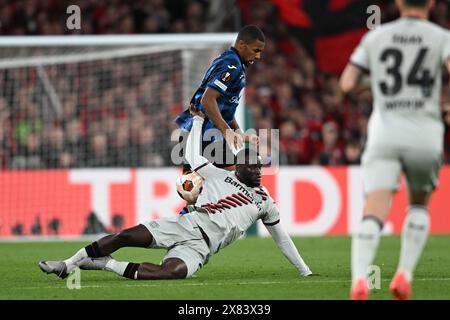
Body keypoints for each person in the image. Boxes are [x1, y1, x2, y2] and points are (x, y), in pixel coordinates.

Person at [38, 106, 314, 280]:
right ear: (238, 165)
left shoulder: (265, 201)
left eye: (260, 166)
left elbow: (282, 240)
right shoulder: (220, 174)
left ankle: (106, 264)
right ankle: (67, 264)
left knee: (172, 273)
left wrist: (305, 270)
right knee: (125, 235)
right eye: (252, 165)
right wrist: (196, 122)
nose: (258, 170)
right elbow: (193, 155)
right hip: (185, 225)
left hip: (201, 248)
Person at [340, 0, 450, 300]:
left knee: (374, 208)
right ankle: (404, 274)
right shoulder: (441, 37)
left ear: (399, 3)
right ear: (431, 3)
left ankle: (360, 280)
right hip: (425, 133)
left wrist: (377, 81)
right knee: (418, 204)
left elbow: (347, 84)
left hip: (384, 133)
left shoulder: (376, 36)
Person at [175, 24, 264, 173]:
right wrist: (228, 132)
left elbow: (223, 107)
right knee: (242, 179)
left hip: (203, 134)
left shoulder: (233, 62)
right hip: (203, 135)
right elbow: (207, 100)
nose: (258, 56)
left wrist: (238, 133)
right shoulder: (231, 65)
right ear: (242, 44)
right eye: (256, 50)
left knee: (206, 190)